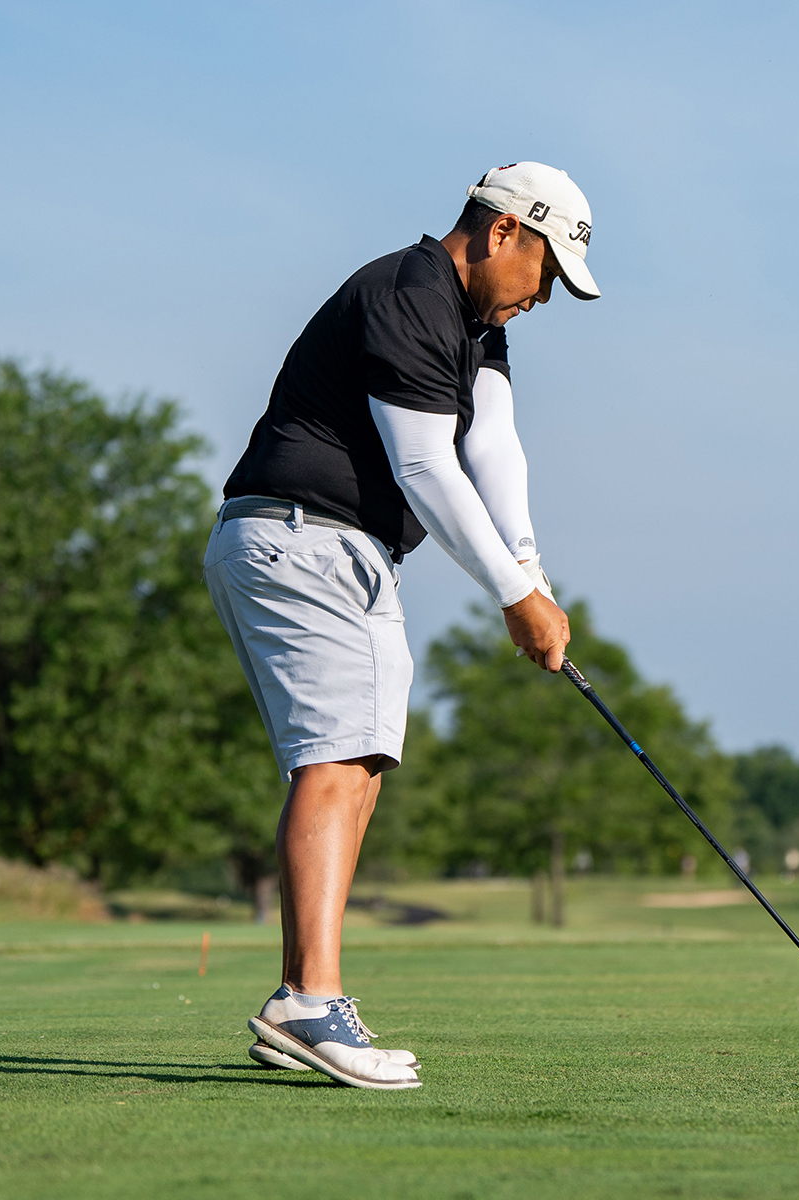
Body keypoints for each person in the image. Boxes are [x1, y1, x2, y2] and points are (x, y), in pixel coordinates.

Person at [203, 162, 599, 1090]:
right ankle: (309, 999)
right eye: (546, 270)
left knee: (360, 765)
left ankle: (309, 997)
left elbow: (491, 444)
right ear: (503, 231)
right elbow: (423, 464)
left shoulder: (476, 324)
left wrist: (531, 571)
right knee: (338, 760)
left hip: (335, 549)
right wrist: (513, 597)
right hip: (304, 539)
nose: (544, 296)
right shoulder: (412, 295)